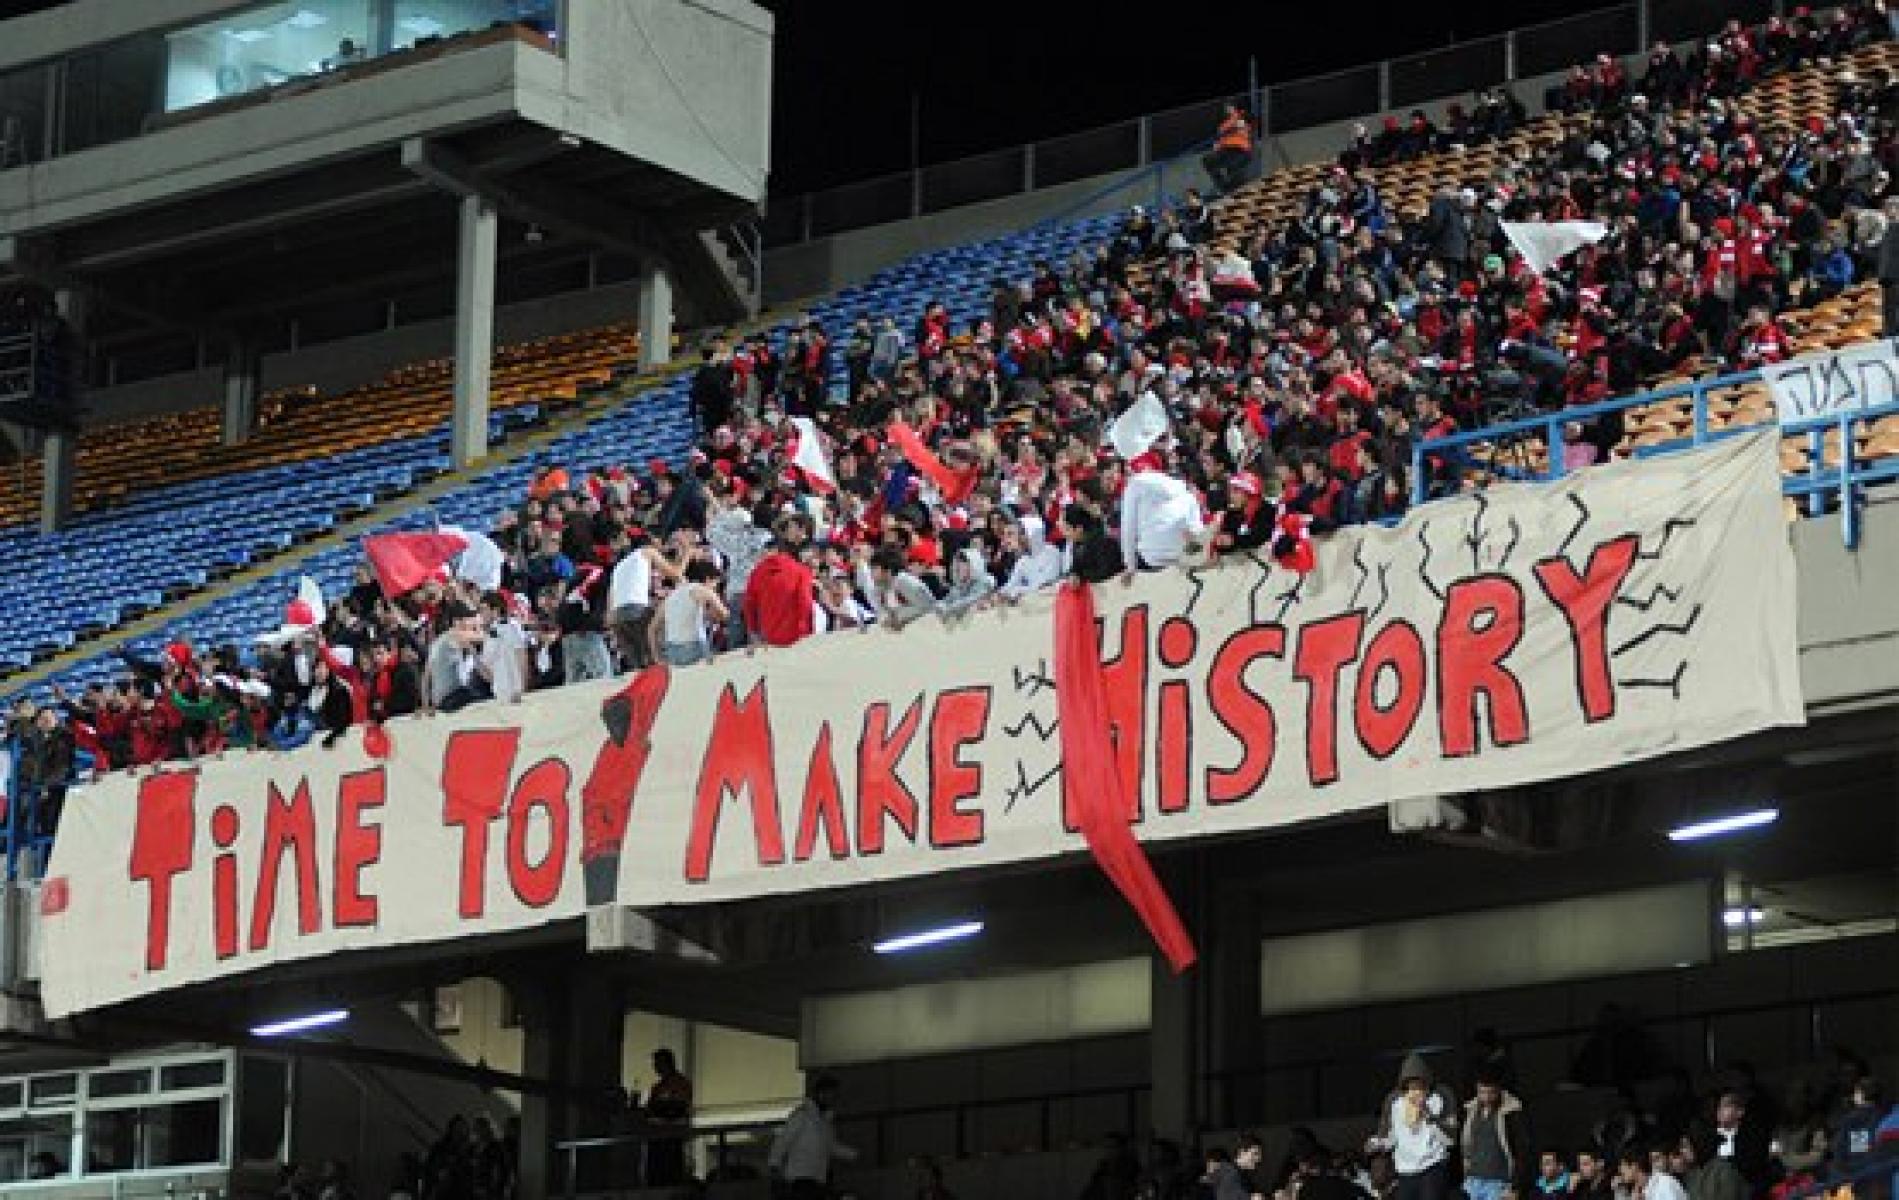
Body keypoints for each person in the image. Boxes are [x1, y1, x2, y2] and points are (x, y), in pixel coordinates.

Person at [1368, 1053, 1459, 1200]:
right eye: (1410, 1086)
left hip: (1432, 1166)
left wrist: (1429, 1118)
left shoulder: (1441, 1097)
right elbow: (1391, 1138)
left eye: (1420, 1085)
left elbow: (1450, 1141)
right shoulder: (1395, 1102)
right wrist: (1377, 1143)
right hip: (1405, 1171)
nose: (1416, 1091)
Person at [1118, 452, 1207, 574]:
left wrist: (1130, 567)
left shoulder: (1135, 485)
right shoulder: (1181, 488)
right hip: (1183, 549)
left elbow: (1128, 529)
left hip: (1153, 558)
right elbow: (1196, 524)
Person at [768, 1074, 856, 1199]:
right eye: (831, 1095)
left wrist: (852, 1154)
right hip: (800, 1176)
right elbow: (783, 1140)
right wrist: (774, 1165)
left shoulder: (825, 1122)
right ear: (820, 1093)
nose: (833, 1099)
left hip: (817, 1177)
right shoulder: (802, 1116)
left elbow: (830, 1146)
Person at [742, 514, 816, 647]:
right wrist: (806, 633)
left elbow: (749, 603)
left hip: (768, 638)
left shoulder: (758, 570)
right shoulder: (801, 571)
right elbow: (805, 603)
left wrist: (754, 631)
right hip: (795, 638)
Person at [1462, 1070, 1533, 1200]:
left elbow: (1522, 1150)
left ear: (1499, 1090)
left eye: (1491, 1093)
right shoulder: (1472, 1111)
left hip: (1499, 1181)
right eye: (1482, 1092)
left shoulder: (1511, 1112)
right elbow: (1467, 1144)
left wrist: (1517, 1186)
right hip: (1473, 1179)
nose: (1486, 1097)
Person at [657, 559, 727, 666]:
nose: (715, 587)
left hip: (672, 651)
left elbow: (652, 629)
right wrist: (714, 613)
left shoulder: (671, 596)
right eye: (715, 583)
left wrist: (657, 658)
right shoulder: (702, 590)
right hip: (693, 647)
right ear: (708, 579)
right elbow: (725, 614)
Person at [644, 1048, 694, 1187]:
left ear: (666, 1063)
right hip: (658, 1135)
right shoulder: (657, 1087)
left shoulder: (680, 1083)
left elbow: (679, 1107)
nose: (655, 1067)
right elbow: (650, 1109)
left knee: (671, 1170)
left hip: (672, 1134)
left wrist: (661, 1108)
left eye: (657, 1063)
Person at [1204, 104, 1255, 195]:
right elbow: (1220, 138)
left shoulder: (1240, 116)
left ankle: (1238, 186)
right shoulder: (1222, 126)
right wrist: (1217, 145)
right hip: (1226, 150)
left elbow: (1248, 121)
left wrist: (1240, 119)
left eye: (1230, 108)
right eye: (1226, 108)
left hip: (1240, 149)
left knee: (1233, 168)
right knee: (1208, 161)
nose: (1227, 110)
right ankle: (1224, 187)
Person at [1616, 1146, 1688, 1200]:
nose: (1620, 1170)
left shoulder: (1663, 1182)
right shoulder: (1641, 1192)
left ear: (1634, 1166)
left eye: (1623, 1165)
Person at [1880, 197, 1899, 337]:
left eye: (1888, 207)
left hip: (1896, 277)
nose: (1884, 210)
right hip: (1888, 279)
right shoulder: (1889, 228)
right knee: (1889, 314)